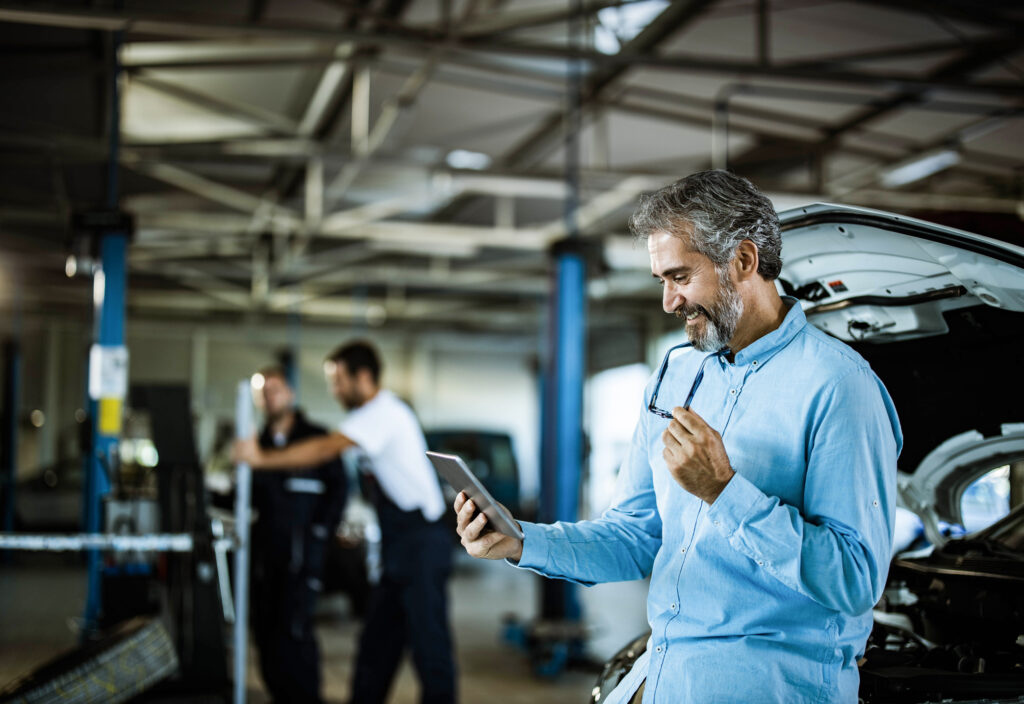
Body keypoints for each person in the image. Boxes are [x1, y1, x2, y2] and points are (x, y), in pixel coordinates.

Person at [455, 170, 902, 703]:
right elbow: (636, 537)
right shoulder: (677, 375)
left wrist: (724, 491)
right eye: (661, 281)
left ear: (742, 260)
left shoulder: (839, 386)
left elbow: (854, 581)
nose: (669, 302)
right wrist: (523, 541)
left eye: (681, 277)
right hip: (665, 669)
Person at [234, 341, 456, 704]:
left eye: (338, 381)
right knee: (375, 648)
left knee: (430, 650)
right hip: (399, 547)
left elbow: (325, 449)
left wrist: (260, 459)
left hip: (422, 544)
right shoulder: (369, 417)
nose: (334, 391)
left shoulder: (382, 413)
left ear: (362, 376)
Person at [248, 366, 347, 704]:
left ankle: (307, 698)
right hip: (264, 556)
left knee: (297, 629)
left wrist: (321, 532)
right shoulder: (255, 443)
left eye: (274, 389)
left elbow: (339, 490)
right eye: (262, 391)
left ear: (289, 394)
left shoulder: (316, 438)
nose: (269, 396)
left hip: (305, 554)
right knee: (265, 630)